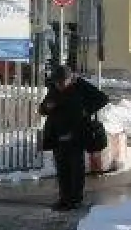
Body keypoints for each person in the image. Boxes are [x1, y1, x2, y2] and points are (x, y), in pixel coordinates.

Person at [38, 64, 109, 211]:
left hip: (76, 133)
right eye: (57, 82)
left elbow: (102, 99)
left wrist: (86, 110)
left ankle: (75, 199)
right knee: (62, 169)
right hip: (58, 135)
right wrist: (46, 107)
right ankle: (64, 199)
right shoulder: (54, 89)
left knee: (76, 169)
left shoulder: (81, 86)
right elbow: (42, 108)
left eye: (63, 81)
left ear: (70, 79)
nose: (60, 85)